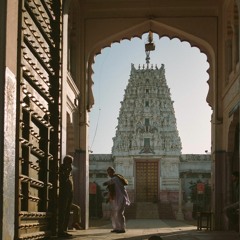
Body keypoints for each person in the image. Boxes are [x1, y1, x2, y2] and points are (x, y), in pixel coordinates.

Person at [103, 166, 130, 233]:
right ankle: (116, 228)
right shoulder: (114, 180)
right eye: (108, 172)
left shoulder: (116, 178)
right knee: (114, 214)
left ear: (113, 172)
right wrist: (108, 197)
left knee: (119, 213)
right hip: (115, 199)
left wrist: (106, 183)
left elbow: (108, 182)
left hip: (121, 198)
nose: (109, 173)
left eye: (110, 172)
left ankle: (122, 228)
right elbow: (112, 190)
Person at [58, 155, 74, 237]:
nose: (71, 164)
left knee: (67, 212)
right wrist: (68, 172)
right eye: (70, 162)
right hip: (63, 193)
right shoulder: (62, 169)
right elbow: (63, 180)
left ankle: (64, 229)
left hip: (68, 194)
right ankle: (60, 230)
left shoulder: (68, 170)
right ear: (65, 161)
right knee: (63, 212)